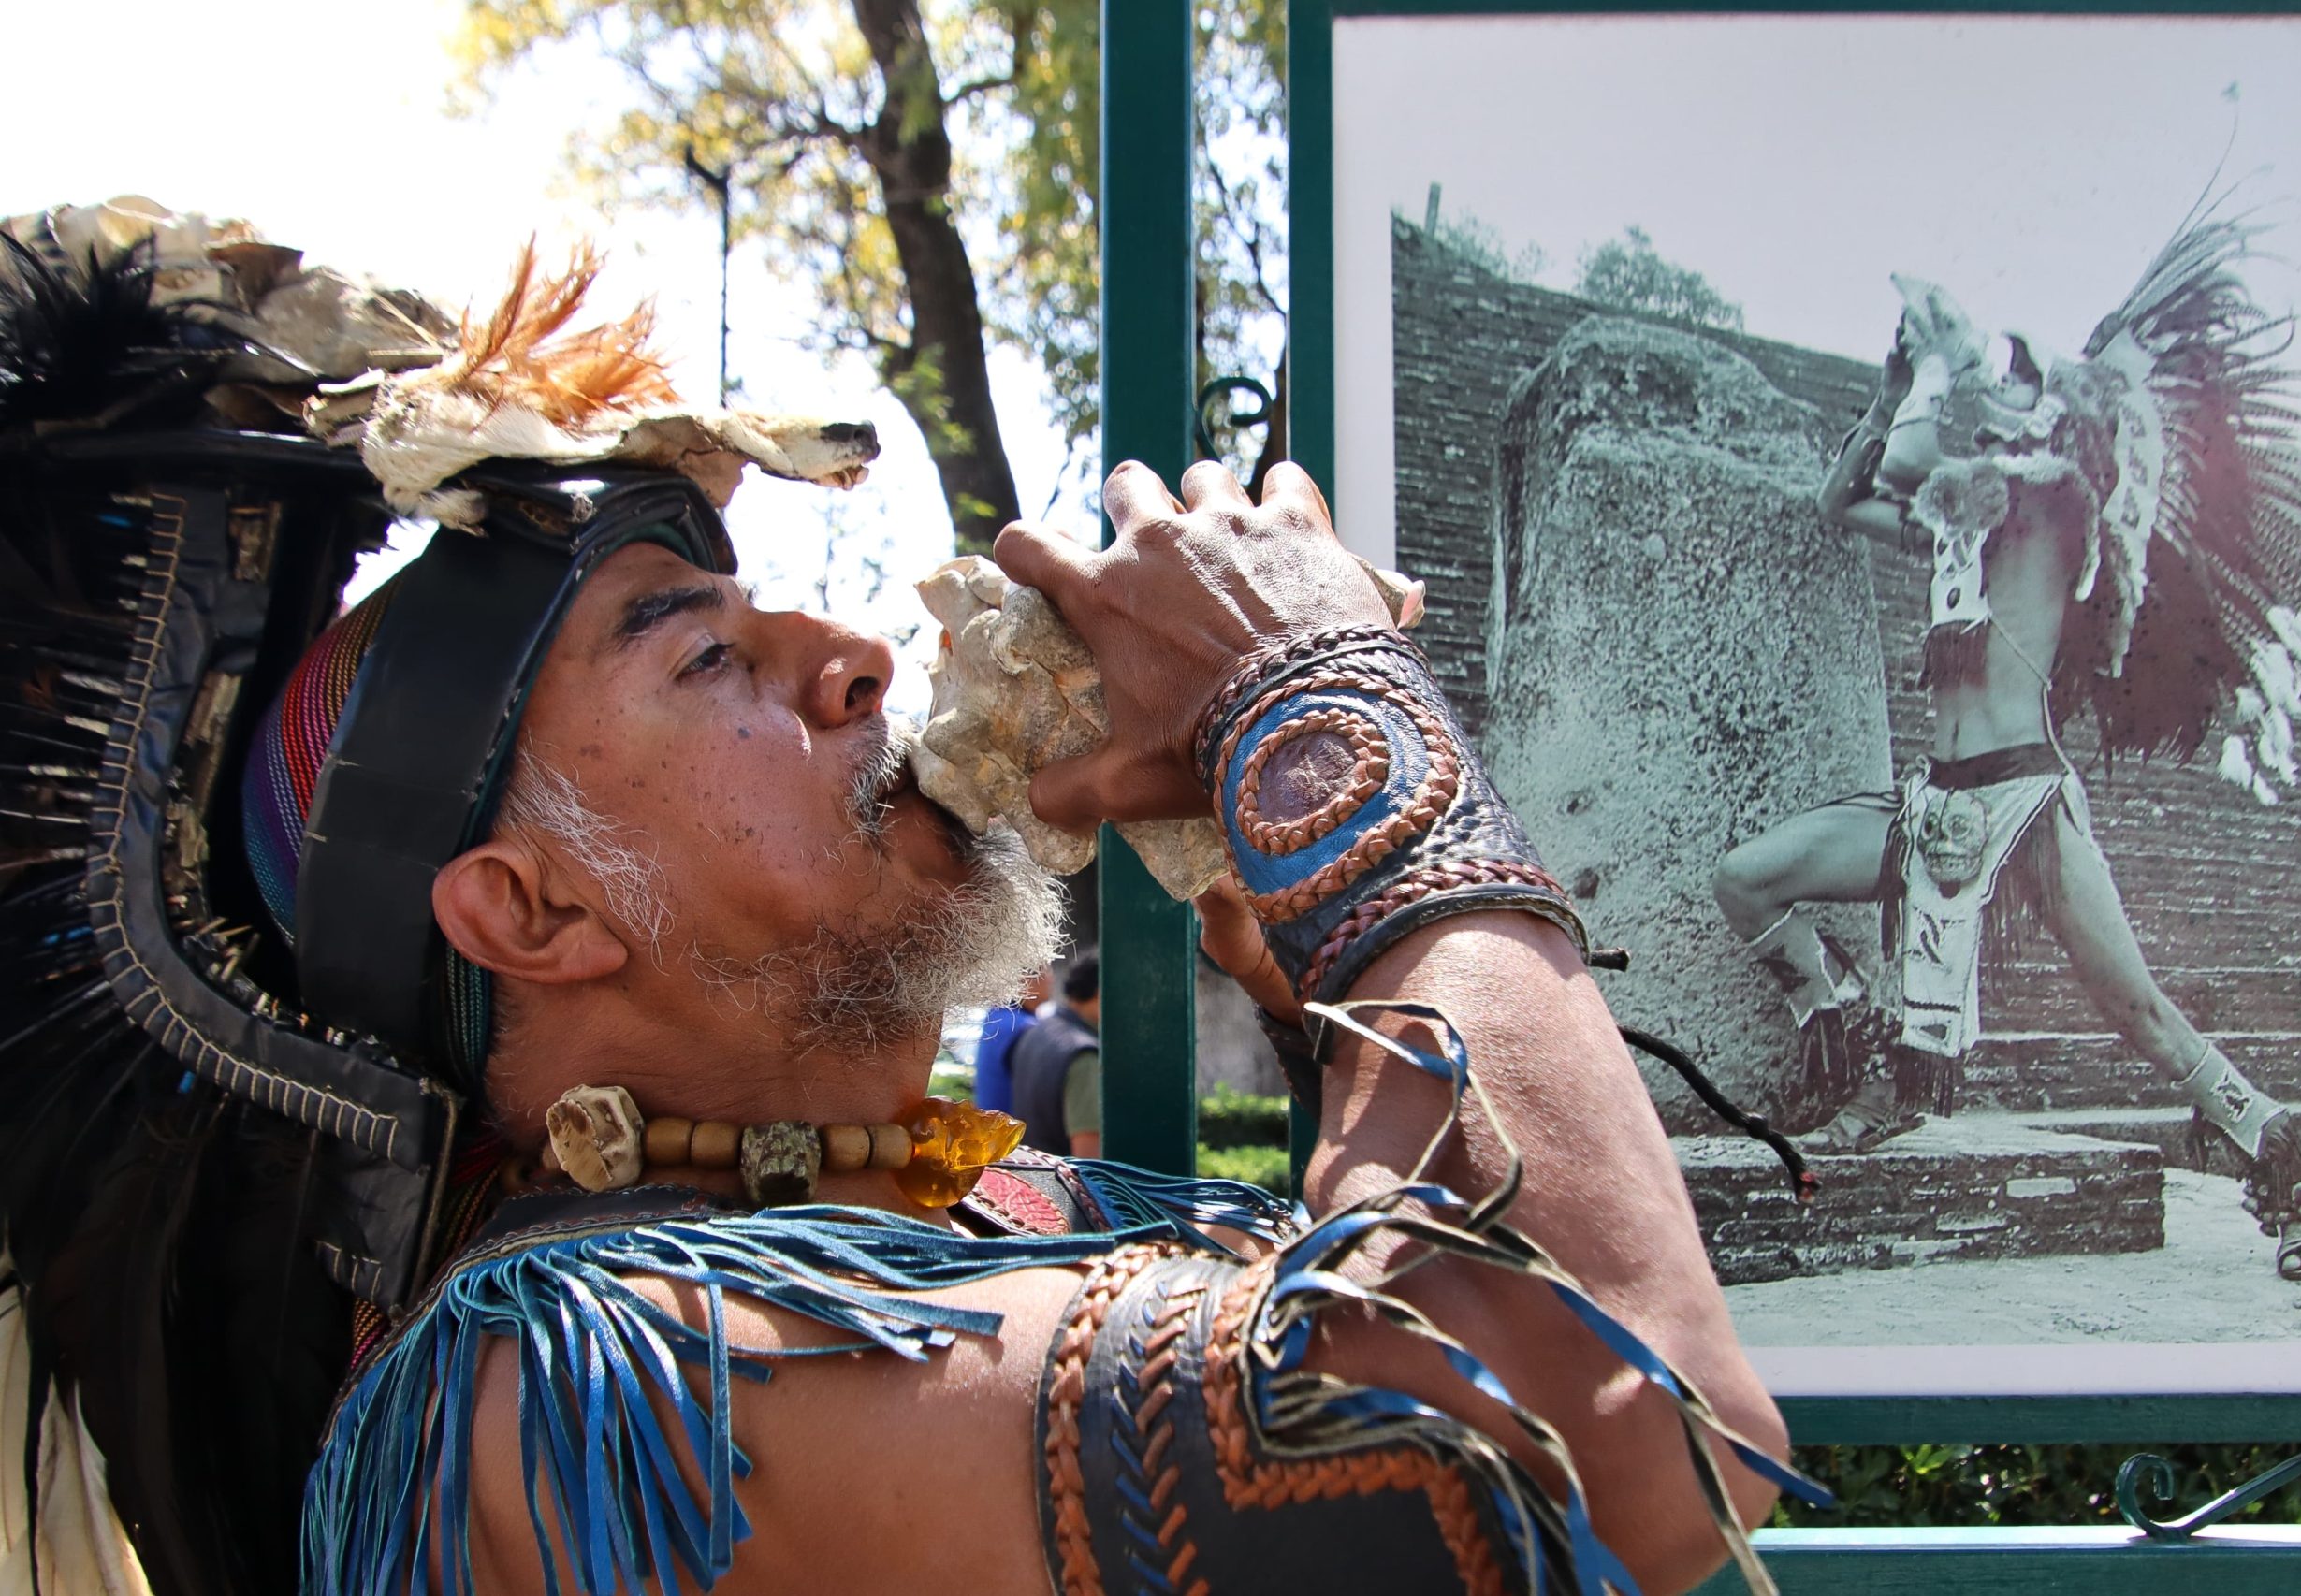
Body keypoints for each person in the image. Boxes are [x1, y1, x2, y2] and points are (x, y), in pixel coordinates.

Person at [2, 202, 1807, 1596]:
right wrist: (1333, 722)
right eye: (705, 655)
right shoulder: (571, 1380)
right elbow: (1606, 1443)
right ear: (532, 911)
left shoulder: (1004, 1202)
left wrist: (1294, 941)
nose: (856, 654)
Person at [1711, 207, 2301, 1282]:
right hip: (1935, 801)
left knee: (2134, 1005)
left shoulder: (2057, 507)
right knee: (1745, 878)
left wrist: (1967, 363)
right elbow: (1841, 499)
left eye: (2003, 402)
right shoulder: (1951, 522)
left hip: (2025, 798)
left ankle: (2281, 1157)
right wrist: (1884, 392)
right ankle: (1843, 1020)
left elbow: (2033, 434)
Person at [1012, 950, 1102, 1155]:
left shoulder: (1037, 1031)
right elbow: (1089, 1159)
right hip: (1062, 1183)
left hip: (1031, 1174)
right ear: (1100, 993)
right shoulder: (1084, 1055)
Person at [972, 965, 1051, 1113]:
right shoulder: (1021, 1027)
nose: (1051, 980)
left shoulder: (997, 1018)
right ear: (1024, 981)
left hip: (994, 1129)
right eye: (1045, 973)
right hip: (1016, 1131)